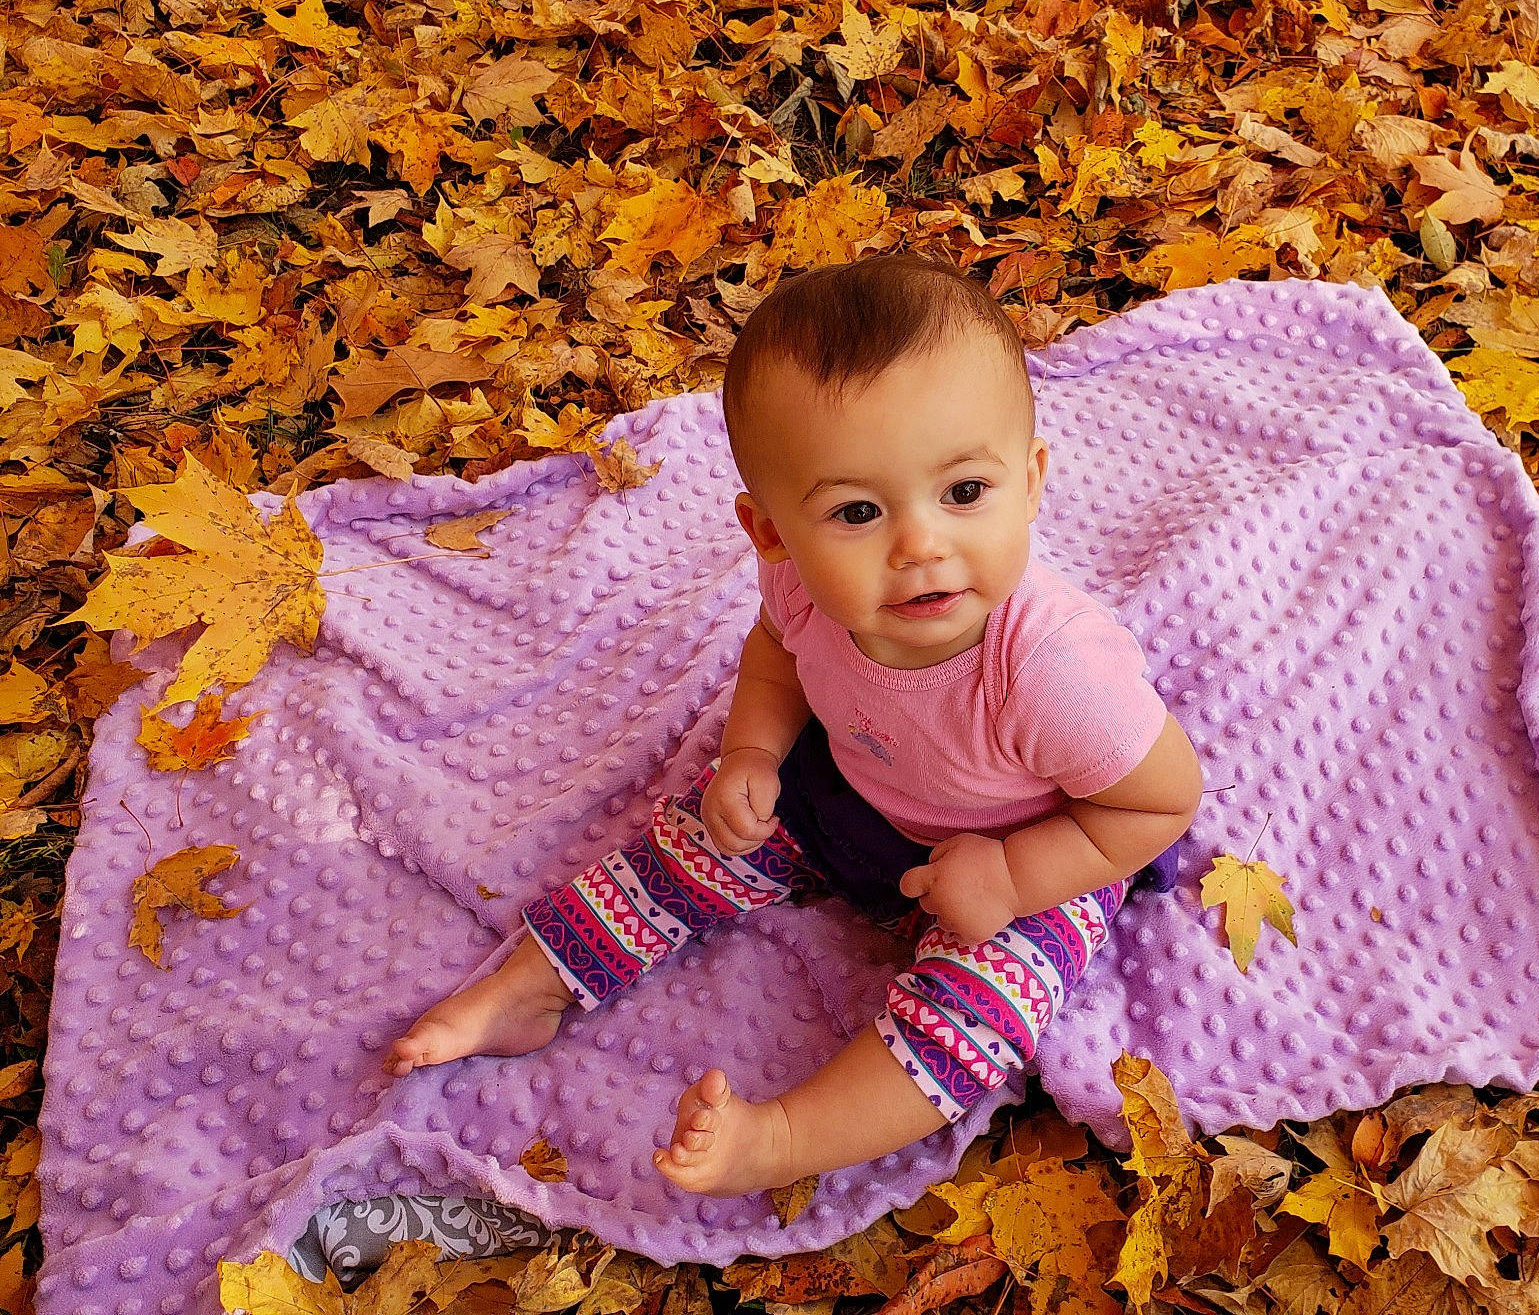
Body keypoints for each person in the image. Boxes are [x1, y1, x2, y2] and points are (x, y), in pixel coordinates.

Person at [384, 253, 1203, 1196]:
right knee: (692, 840)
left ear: (1032, 480)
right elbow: (777, 652)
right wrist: (753, 751)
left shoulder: (1055, 668)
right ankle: (529, 986)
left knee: (979, 1016)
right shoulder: (799, 585)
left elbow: (1158, 804)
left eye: (966, 493)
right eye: (857, 511)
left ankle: (779, 1140)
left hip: (1028, 845)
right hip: (844, 785)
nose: (921, 545)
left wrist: (1016, 877)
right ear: (770, 532)